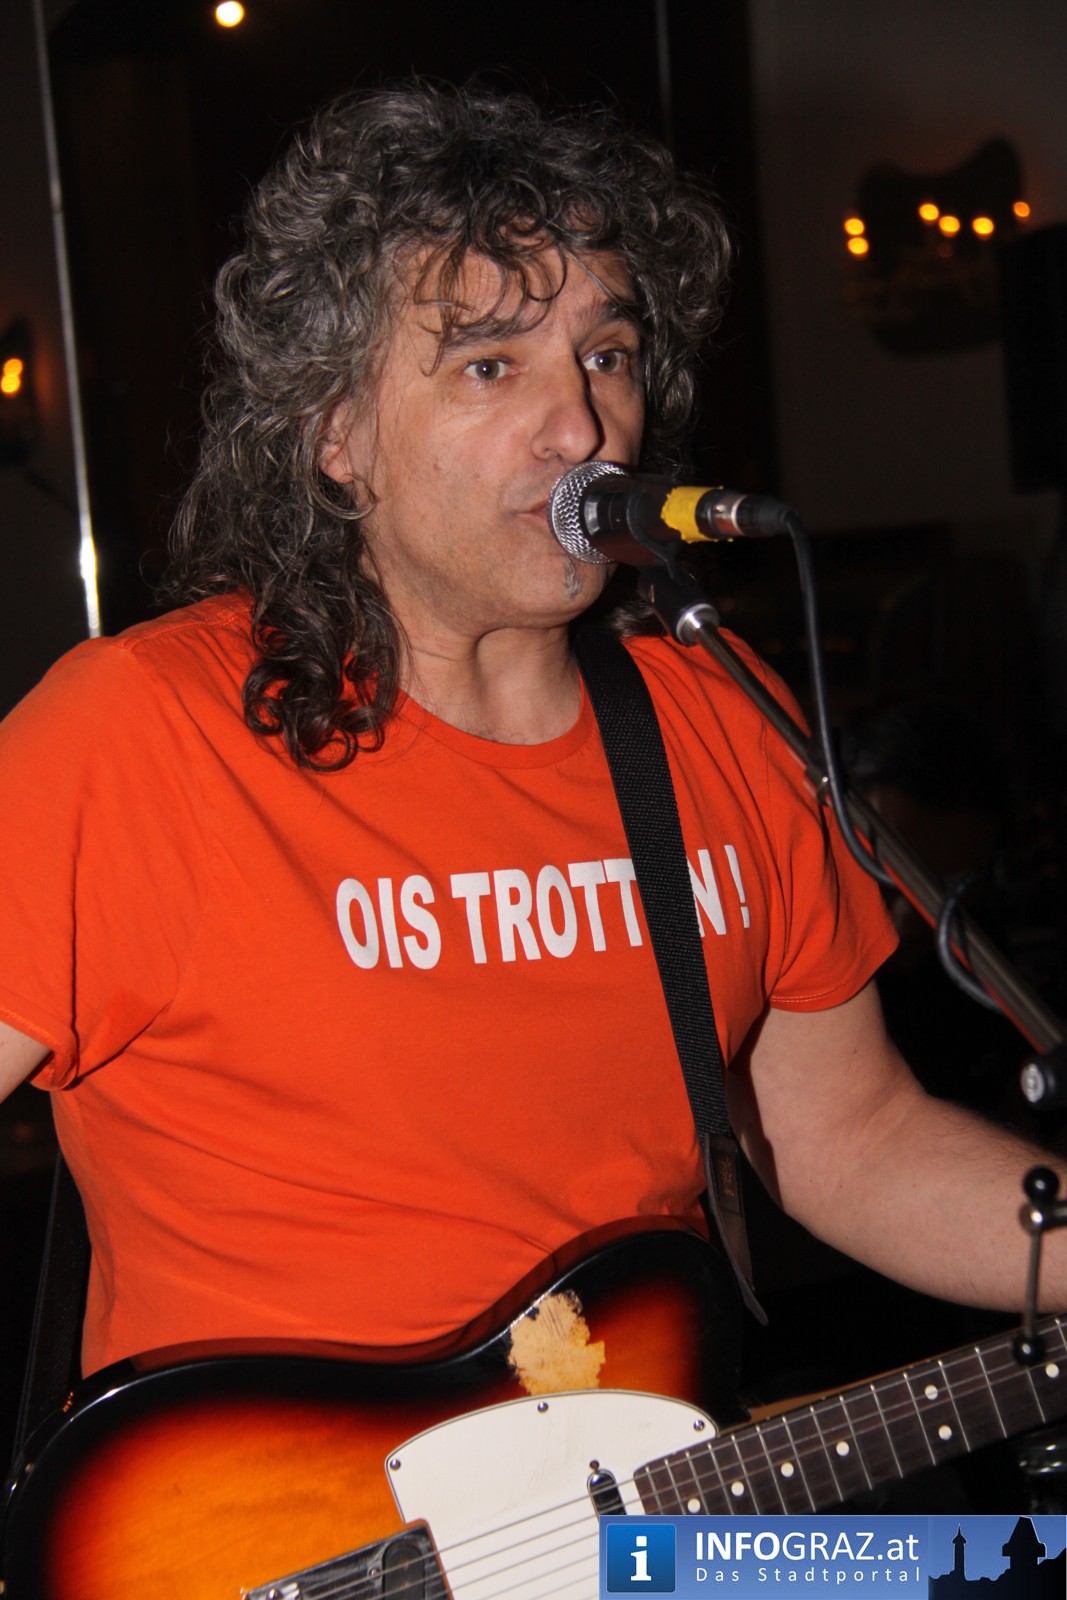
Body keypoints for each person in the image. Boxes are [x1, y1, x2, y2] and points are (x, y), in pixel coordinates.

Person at [0, 84, 1063, 1387]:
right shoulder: (139, 733)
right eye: (490, 366)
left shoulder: (720, 717)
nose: (583, 429)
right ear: (334, 432)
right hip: (263, 1517)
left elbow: (852, 1139)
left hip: (641, 1500)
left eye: (605, 356)